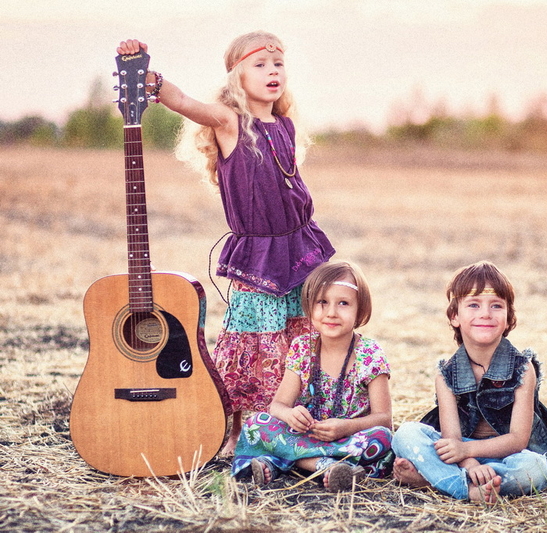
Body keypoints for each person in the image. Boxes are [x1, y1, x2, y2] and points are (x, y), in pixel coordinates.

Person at [116, 33, 336, 455]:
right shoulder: (230, 121)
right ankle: (242, 431)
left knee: (298, 337)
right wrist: (148, 74)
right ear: (236, 77)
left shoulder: (285, 126)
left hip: (299, 250)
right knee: (255, 339)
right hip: (258, 255)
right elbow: (183, 102)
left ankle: (292, 420)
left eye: (278, 64)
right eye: (260, 64)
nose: (273, 71)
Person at [392, 261, 547, 504]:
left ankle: (436, 481)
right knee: (405, 434)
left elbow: (518, 439)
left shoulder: (522, 368)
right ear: (455, 316)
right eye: (473, 305)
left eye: (496, 305)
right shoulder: (446, 374)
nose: (485, 313)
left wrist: (468, 452)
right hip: (462, 454)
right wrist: (469, 462)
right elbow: (452, 439)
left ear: (508, 319)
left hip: (510, 456)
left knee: (535, 469)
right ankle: (468, 488)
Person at [230, 261, 393, 491]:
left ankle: (285, 462)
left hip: (348, 440)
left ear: (360, 309)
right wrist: (290, 415)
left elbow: (384, 418)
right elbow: (277, 406)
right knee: (256, 424)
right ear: (309, 305)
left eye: (343, 303)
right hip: (305, 434)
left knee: (383, 438)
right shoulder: (302, 348)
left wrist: (346, 427)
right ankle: (323, 466)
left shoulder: (370, 353)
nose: (331, 313)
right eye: (322, 302)